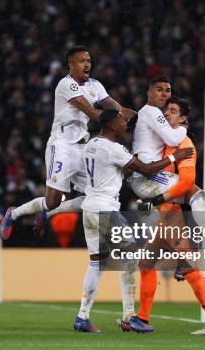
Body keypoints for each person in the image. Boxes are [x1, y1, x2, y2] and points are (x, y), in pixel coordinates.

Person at [74, 109, 194, 333]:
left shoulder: (92, 144)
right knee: (132, 257)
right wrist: (173, 158)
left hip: (89, 210)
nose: (126, 123)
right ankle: (130, 317)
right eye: (121, 120)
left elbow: (117, 172)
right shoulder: (113, 149)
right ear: (110, 125)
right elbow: (146, 169)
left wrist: (128, 168)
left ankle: (82, 317)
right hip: (106, 209)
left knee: (97, 263)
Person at [0, 46, 135, 240]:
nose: (87, 64)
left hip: (82, 148)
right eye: (82, 61)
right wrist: (118, 119)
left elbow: (118, 108)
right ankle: (14, 214)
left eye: (88, 60)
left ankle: (47, 212)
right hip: (62, 146)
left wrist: (143, 118)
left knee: (96, 196)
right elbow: (93, 113)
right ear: (71, 65)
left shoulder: (95, 85)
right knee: (52, 200)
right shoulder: (66, 84)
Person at [137, 98, 205, 335]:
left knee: (189, 269)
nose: (167, 114)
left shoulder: (185, 144)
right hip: (163, 218)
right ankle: (142, 319)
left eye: (173, 111)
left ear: (183, 119)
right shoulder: (163, 141)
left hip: (173, 218)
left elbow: (187, 183)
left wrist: (158, 199)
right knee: (146, 263)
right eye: (166, 110)